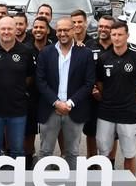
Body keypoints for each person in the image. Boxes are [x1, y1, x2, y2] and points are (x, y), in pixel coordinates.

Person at [95, 21, 136, 186]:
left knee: (129, 154)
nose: (116, 38)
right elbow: (100, 84)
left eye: (120, 34)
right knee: (104, 153)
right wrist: (107, 99)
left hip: (128, 115)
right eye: (114, 35)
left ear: (127, 36)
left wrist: (132, 101)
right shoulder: (103, 59)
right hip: (106, 113)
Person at [36, 17, 95, 170]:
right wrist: (56, 102)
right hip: (50, 109)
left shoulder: (85, 54)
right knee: (45, 152)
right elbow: (40, 81)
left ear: (74, 30)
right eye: (59, 30)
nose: (62, 33)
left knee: (72, 152)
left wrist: (68, 103)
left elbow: (88, 84)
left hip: (74, 110)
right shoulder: (46, 52)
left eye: (66, 30)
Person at [0, 16, 34, 165]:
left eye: (10, 28)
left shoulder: (25, 51)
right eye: (3, 28)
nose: (6, 32)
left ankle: (17, 183)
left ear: (16, 30)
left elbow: (30, 76)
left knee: (17, 150)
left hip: (17, 109)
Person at [83, 15, 115, 158]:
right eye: (101, 26)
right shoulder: (89, 45)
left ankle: (109, 162)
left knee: (113, 134)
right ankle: (92, 161)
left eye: (107, 27)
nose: (103, 29)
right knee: (91, 131)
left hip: (111, 99)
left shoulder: (118, 47)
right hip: (91, 98)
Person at [23, 15, 51, 168]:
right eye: (36, 27)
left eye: (41, 27)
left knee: (49, 131)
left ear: (47, 30)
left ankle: (47, 160)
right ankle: (28, 158)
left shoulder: (54, 48)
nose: (38, 30)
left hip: (50, 97)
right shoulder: (26, 49)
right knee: (29, 130)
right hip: (30, 97)